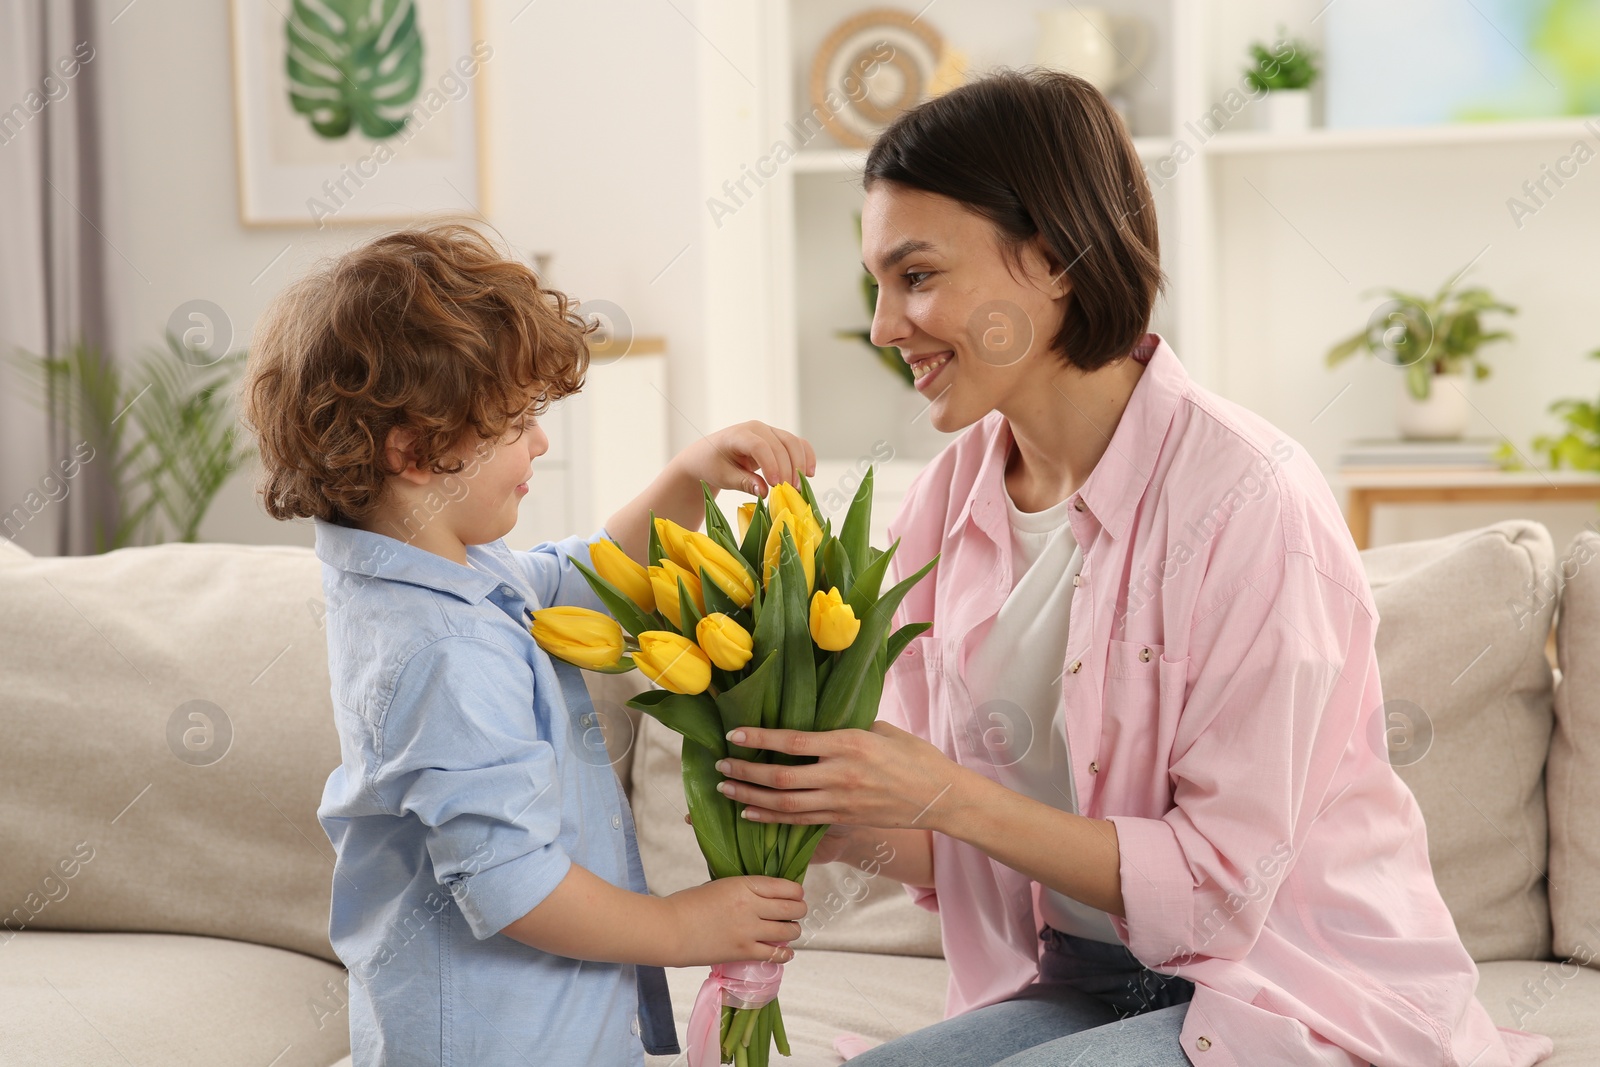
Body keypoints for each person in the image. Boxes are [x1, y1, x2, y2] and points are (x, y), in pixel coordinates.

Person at [712, 71, 1555, 1067]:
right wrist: (816, 803)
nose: (887, 325)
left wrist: (941, 791)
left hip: (1287, 980)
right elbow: (957, 849)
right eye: (879, 285)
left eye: (919, 275)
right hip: (1083, 976)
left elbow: (1219, 884)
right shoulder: (947, 500)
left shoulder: (1249, 498)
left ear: (1054, 258)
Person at [239, 223, 818, 1066]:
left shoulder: (445, 572)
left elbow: (579, 579)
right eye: (514, 423)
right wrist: (683, 925)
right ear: (416, 452)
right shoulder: (439, 647)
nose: (540, 442)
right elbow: (512, 883)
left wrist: (685, 475)